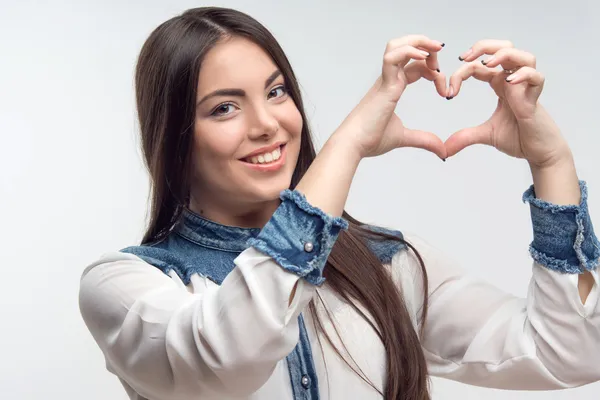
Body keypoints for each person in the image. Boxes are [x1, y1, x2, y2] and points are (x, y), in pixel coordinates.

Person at [78, 6, 600, 400]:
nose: (267, 124)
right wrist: (346, 146)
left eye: (277, 92)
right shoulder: (125, 285)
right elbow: (226, 357)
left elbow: (569, 353)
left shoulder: (393, 264)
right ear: (174, 134)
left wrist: (551, 162)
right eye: (225, 107)